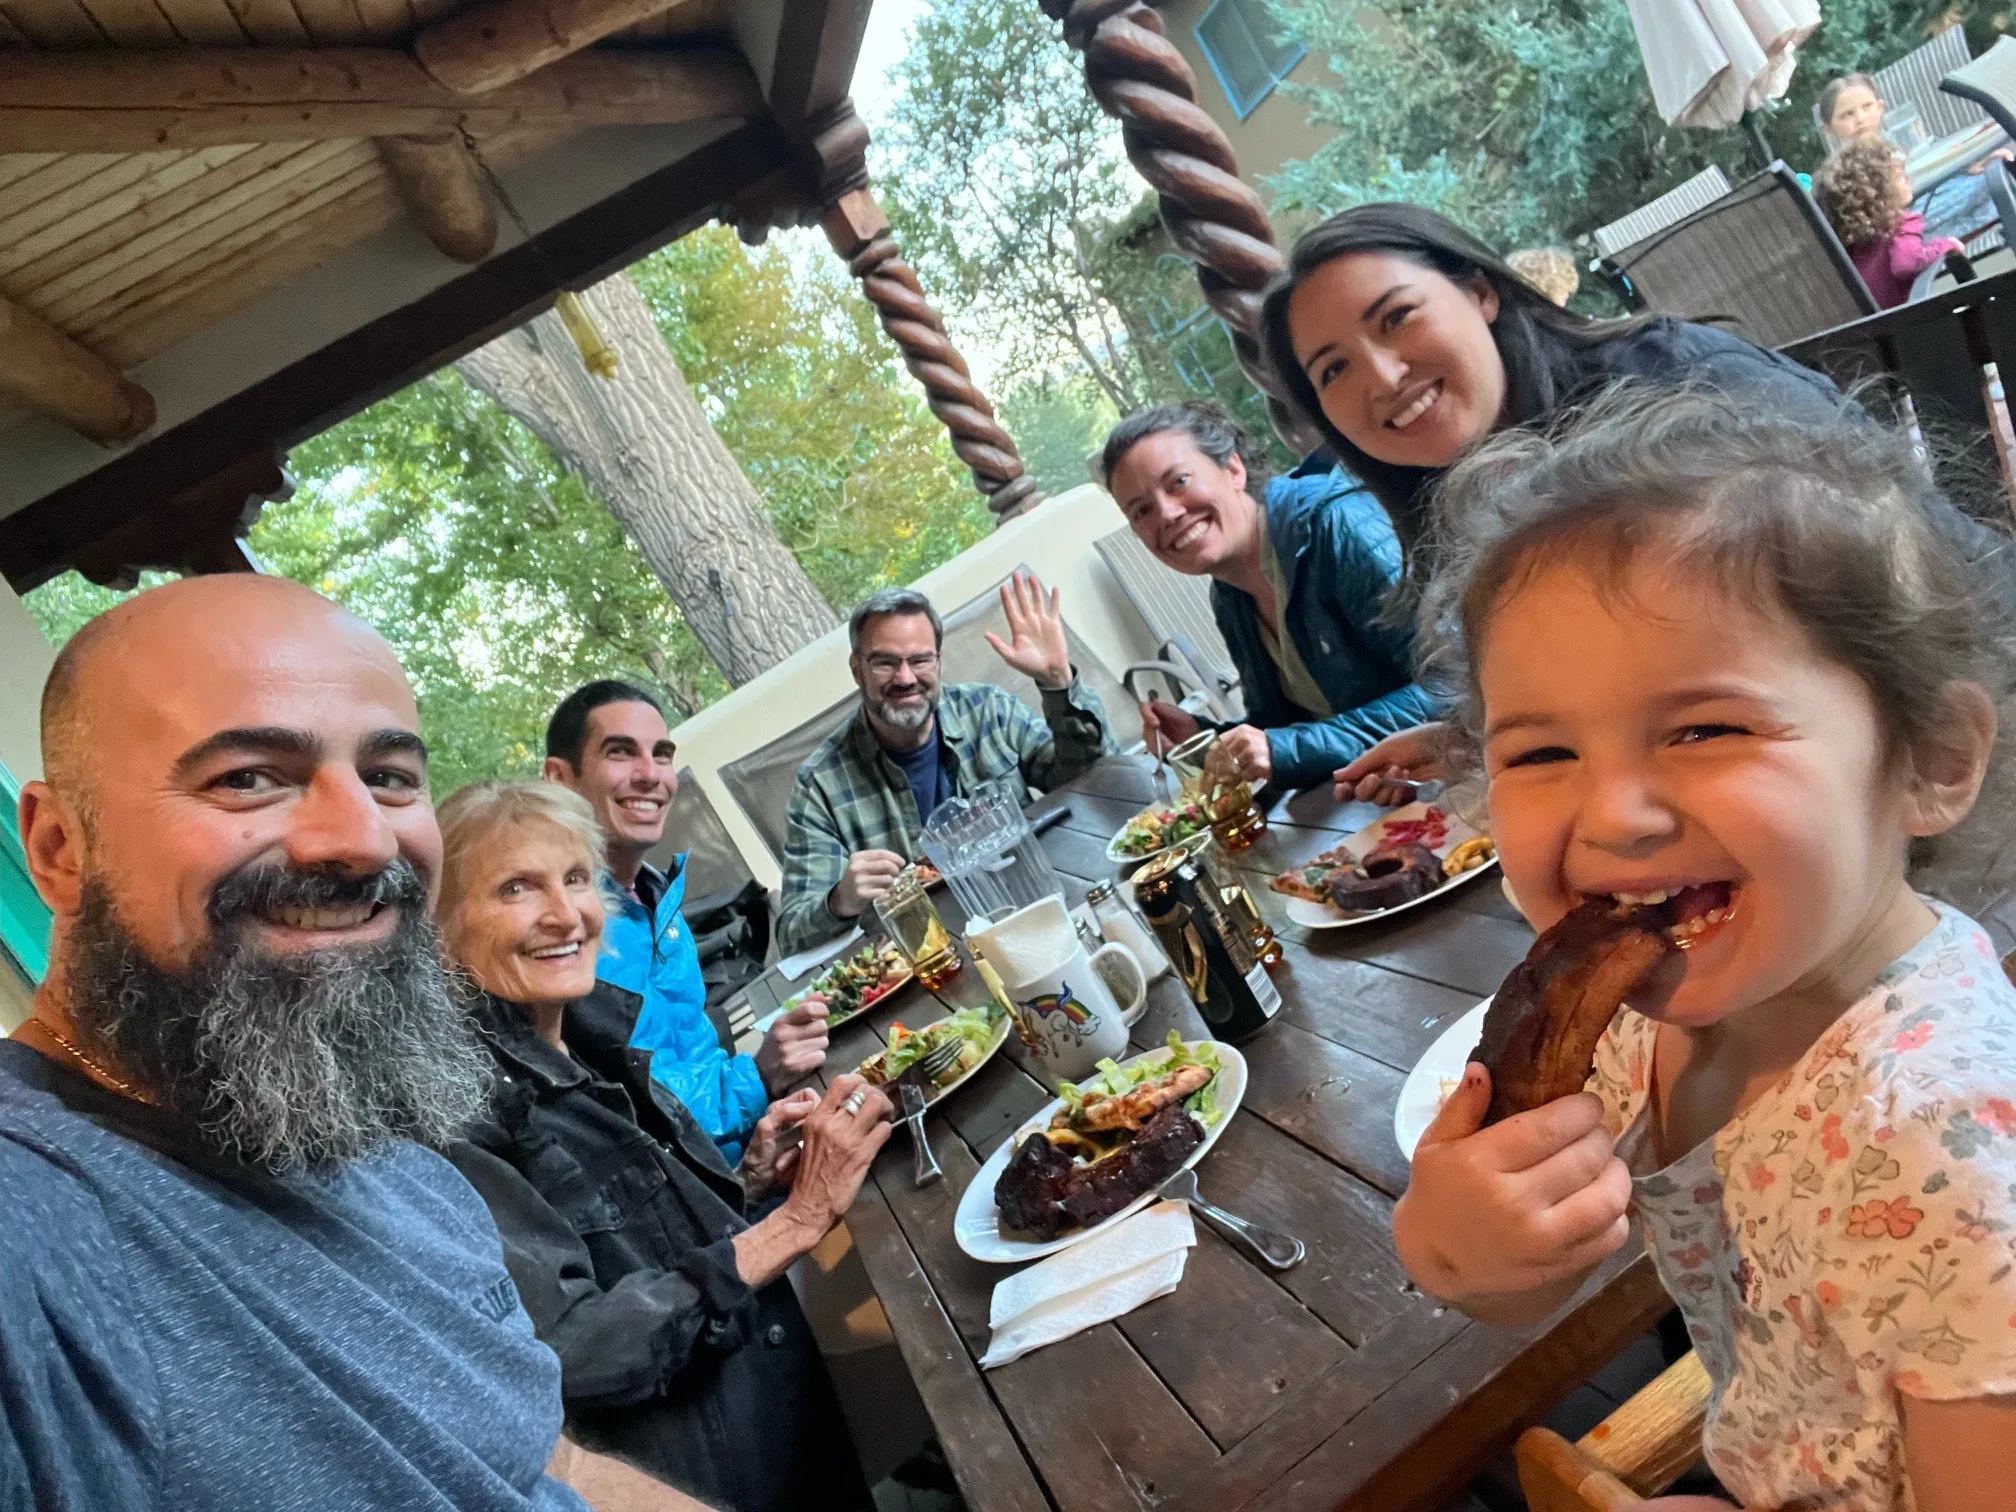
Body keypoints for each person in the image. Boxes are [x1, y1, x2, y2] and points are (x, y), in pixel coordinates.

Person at [1392, 389, 2016, 1511]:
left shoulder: (1947, 1160)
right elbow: (1532, 1273)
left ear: (1934, 758)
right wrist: (1459, 1248)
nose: (1616, 815)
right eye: (1538, 753)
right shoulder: (1655, 1014)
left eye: (1704, 729)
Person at [0, 575, 705, 1511]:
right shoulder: (37, 1228)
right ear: (58, 848)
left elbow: (550, 1467)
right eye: (246, 776)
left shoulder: (375, 1140)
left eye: (388, 777)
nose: (363, 840)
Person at [1255, 201, 2016, 802]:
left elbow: (1924, 590)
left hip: (1948, 741)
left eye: (1396, 318)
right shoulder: (1463, 502)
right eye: (1333, 371)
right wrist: (1472, 742)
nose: (1382, 377)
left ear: (1480, 291)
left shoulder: (1678, 390)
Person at [435, 780, 886, 1512]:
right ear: (442, 933)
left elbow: (656, 1249)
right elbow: (575, 1352)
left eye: (576, 878)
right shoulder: (464, 1123)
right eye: (517, 887)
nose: (564, 914)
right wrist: (795, 1222)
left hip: (791, 1419)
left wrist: (751, 1181)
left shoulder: (598, 1038)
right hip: (713, 1479)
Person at [543, 681, 827, 1164]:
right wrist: (756, 1077)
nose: (651, 775)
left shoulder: (656, 892)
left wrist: (761, 1089)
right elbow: (640, 1113)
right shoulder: (562, 934)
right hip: (703, 1191)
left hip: (748, 1138)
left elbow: (692, 1054)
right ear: (561, 779)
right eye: (620, 752)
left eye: (662, 754)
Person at [1100, 401, 1436, 789]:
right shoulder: (1229, 595)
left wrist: (1285, 748)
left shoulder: (1335, 525)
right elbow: (1281, 726)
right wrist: (1202, 738)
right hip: (1373, 799)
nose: (1167, 514)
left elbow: (1455, 686)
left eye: (1178, 482)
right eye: (1141, 511)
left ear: (1233, 469)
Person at [777, 576, 1109, 954]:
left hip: (1038, 902)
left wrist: (1057, 686)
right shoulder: (820, 784)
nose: (905, 678)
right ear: (857, 669)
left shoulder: (988, 710)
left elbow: (1092, 779)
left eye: (919, 660)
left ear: (938, 661)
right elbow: (791, 934)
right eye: (885, 663)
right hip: (935, 955)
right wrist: (841, 900)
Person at [1818, 70, 2009, 248]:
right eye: (1846, 115)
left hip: (1926, 202)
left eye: (1866, 107)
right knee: (1998, 182)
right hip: (1903, 232)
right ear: (1828, 130)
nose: (1860, 118)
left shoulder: (1889, 147)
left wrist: (1966, 171)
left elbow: (1924, 182)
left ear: (1880, 107)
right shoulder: (1846, 171)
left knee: (1998, 173)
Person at [1815, 135, 1964, 308]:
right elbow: (1906, 264)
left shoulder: (1850, 246)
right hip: (1905, 324)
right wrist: (1945, 245)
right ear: (1879, 193)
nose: (1908, 177)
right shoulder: (1900, 224)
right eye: (1899, 176)